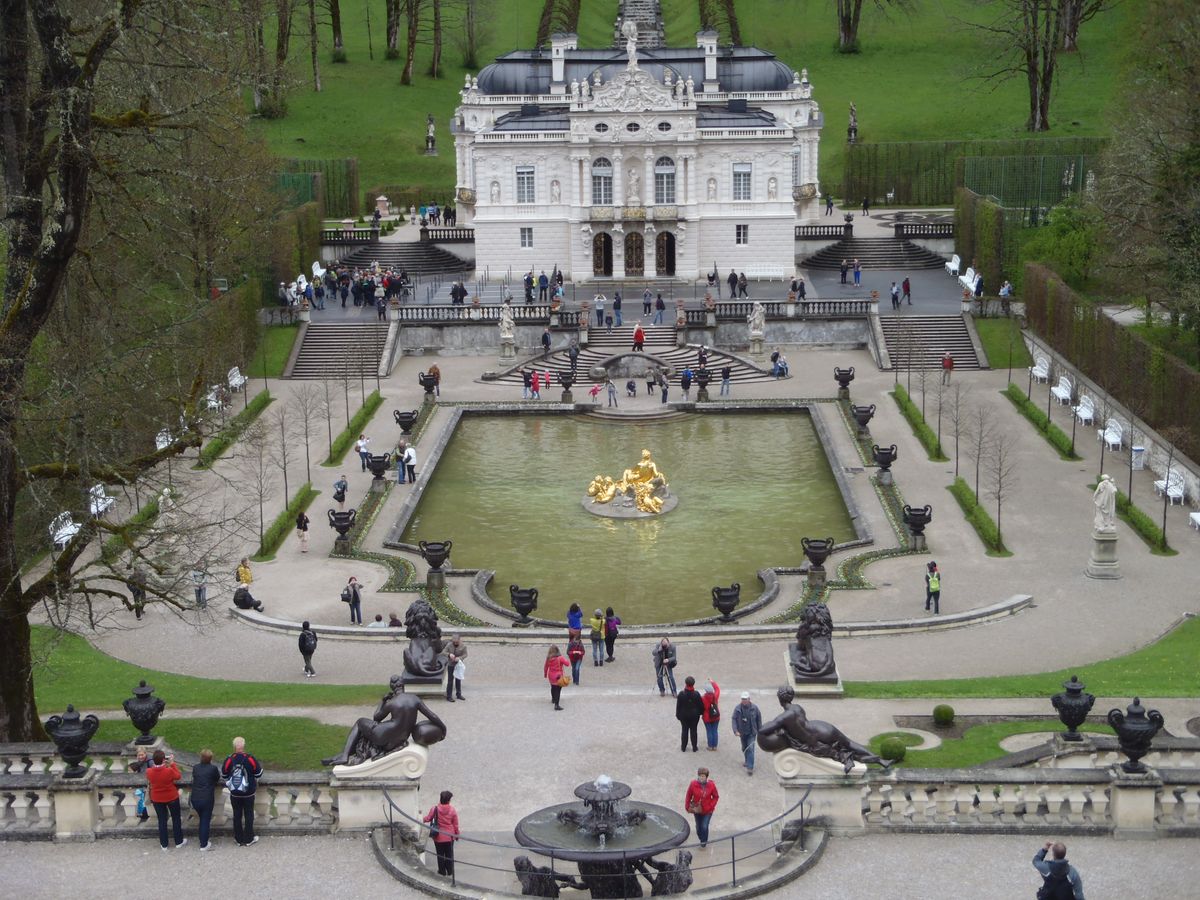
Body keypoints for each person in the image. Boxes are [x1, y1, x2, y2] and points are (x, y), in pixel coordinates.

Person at [222, 736, 264, 846]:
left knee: (237, 815)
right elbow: (258, 774)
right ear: (244, 746)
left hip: (235, 793)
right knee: (249, 814)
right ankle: (249, 839)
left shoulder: (229, 759)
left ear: (234, 746)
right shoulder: (250, 758)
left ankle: (238, 839)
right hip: (248, 792)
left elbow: (224, 775)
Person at [146, 748, 186, 850]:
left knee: (162, 820)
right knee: (176, 818)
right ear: (164, 760)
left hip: (157, 798)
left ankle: (164, 844)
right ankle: (178, 841)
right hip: (171, 797)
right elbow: (178, 776)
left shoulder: (149, 771)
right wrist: (172, 764)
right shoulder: (169, 770)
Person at [424, 790, 461, 878]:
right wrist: (457, 835)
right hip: (449, 837)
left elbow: (428, 818)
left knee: (440, 854)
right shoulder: (452, 810)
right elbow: (455, 825)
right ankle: (450, 870)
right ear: (448, 800)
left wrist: (420, 818)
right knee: (449, 854)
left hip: (438, 837)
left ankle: (442, 871)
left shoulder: (435, 809)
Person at [190, 748, 220, 851]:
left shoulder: (196, 767)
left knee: (203, 819)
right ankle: (203, 844)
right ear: (210, 758)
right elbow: (217, 778)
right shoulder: (213, 768)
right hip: (207, 798)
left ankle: (202, 840)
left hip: (195, 798)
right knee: (205, 821)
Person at [683, 768, 719, 848]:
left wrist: (710, 806)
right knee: (698, 828)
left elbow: (716, 797)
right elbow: (688, 795)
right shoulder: (693, 784)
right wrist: (687, 806)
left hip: (708, 810)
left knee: (704, 826)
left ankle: (703, 842)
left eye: (703, 776)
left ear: (706, 777)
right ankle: (701, 838)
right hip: (697, 810)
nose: (701, 778)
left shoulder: (711, 785)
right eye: (700, 776)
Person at [731, 692, 762, 775]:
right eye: (742, 699)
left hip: (752, 733)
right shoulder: (737, 708)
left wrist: (760, 730)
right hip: (742, 733)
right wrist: (735, 730)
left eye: (745, 699)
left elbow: (759, 719)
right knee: (744, 748)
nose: (744, 700)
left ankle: (750, 767)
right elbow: (734, 719)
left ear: (749, 699)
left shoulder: (755, 708)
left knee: (750, 748)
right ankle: (747, 760)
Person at [676, 676, 705, 752]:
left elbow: (678, 706)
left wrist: (678, 715)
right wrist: (700, 713)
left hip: (684, 715)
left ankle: (683, 747)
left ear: (686, 683)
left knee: (684, 730)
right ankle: (694, 747)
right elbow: (701, 706)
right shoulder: (696, 694)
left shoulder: (681, 694)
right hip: (694, 715)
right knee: (694, 731)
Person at [544, 645, 570, 710]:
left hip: (551, 675)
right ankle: (556, 705)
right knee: (558, 690)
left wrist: (545, 674)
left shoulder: (548, 658)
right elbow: (567, 664)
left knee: (553, 687)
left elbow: (546, 667)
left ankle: (553, 699)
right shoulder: (560, 658)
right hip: (558, 676)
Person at [129, 748, 150, 822]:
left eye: (142, 755)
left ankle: (145, 814)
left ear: (145, 754)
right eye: (139, 755)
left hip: (147, 785)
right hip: (140, 785)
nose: (140, 757)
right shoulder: (137, 763)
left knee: (145, 800)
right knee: (140, 800)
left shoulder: (149, 762)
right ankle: (142, 814)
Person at [445, 634, 467, 701]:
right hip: (451, 665)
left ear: (459, 640)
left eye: (456, 642)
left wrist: (460, 658)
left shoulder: (463, 646)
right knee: (450, 681)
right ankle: (449, 696)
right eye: (454, 642)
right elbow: (443, 652)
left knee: (458, 679)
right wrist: (449, 654)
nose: (455, 643)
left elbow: (465, 654)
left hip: (458, 665)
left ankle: (459, 694)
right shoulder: (449, 645)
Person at [701, 679, 721, 750]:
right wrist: (712, 682)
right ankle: (715, 746)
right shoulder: (715, 696)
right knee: (715, 731)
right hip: (716, 716)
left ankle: (710, 746)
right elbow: (717, 689)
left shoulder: (703, 698)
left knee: (709, 731)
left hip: (707, 717)